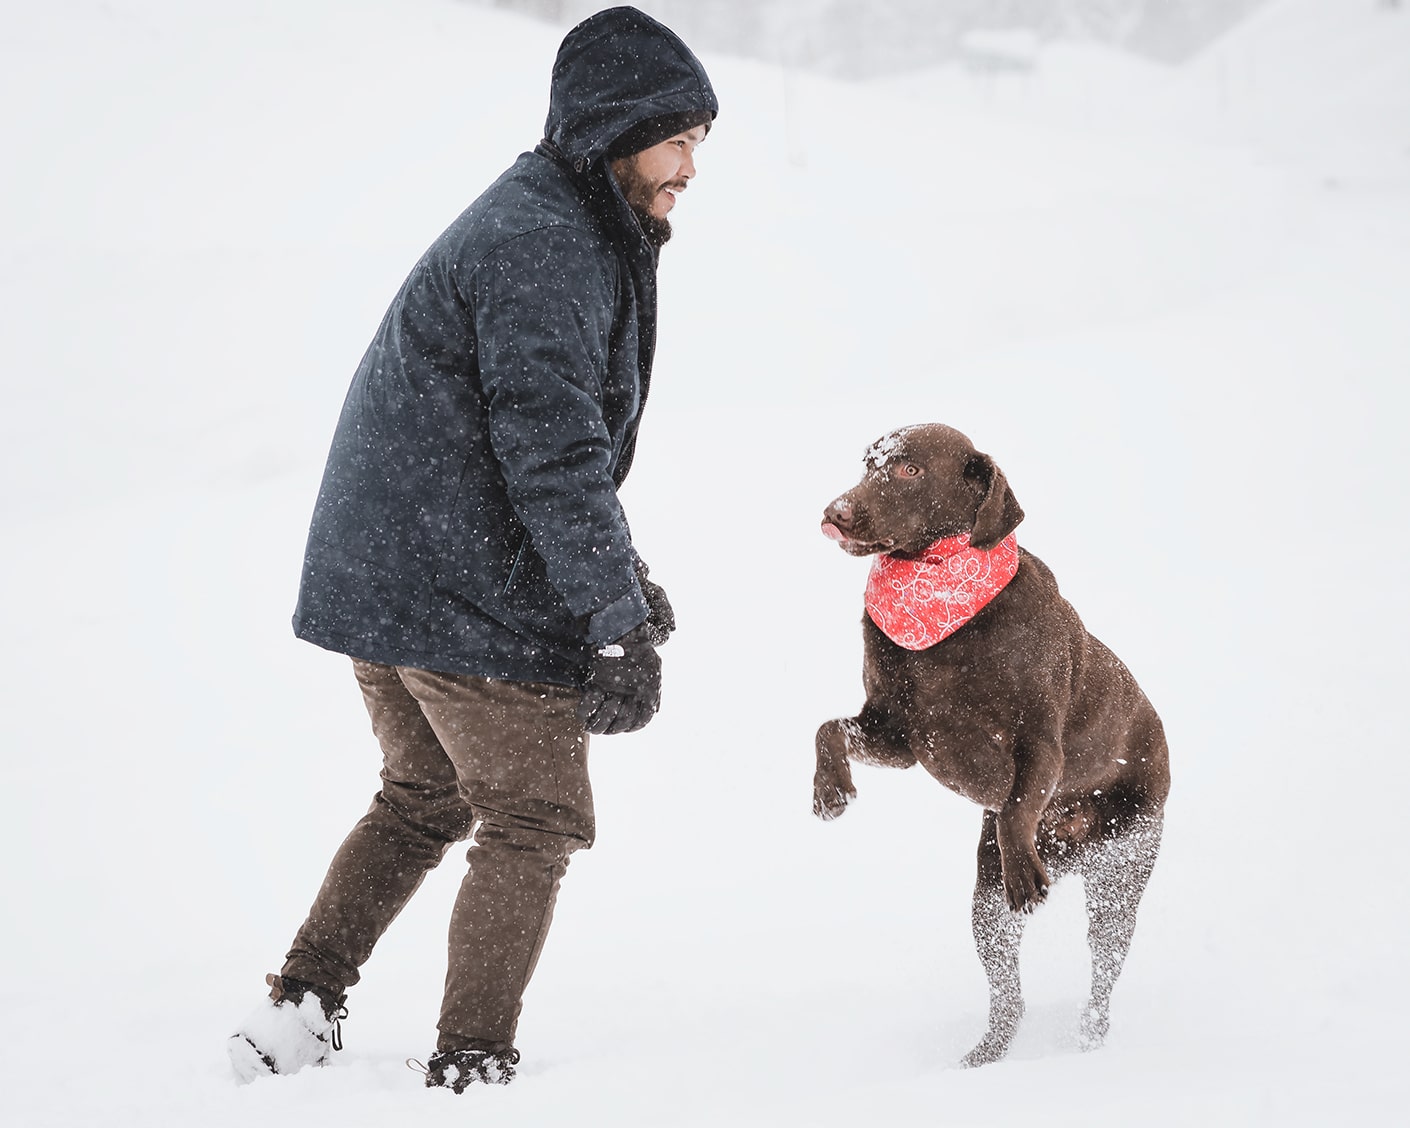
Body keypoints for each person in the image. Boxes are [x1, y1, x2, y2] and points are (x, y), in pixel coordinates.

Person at [227, 5, 717, 1092]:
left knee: (424, 795)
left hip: (392, 566)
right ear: (611, 129)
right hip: (450, 579)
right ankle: (472, 1065)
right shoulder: (548, 241)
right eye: (674, 138)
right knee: (536, 814)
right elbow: (550, 448)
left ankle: (299, 1007)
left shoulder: (557, 218)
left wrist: (616, 583)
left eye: (700, 141)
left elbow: (530, 441)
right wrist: (613, 620)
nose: (691, 166)